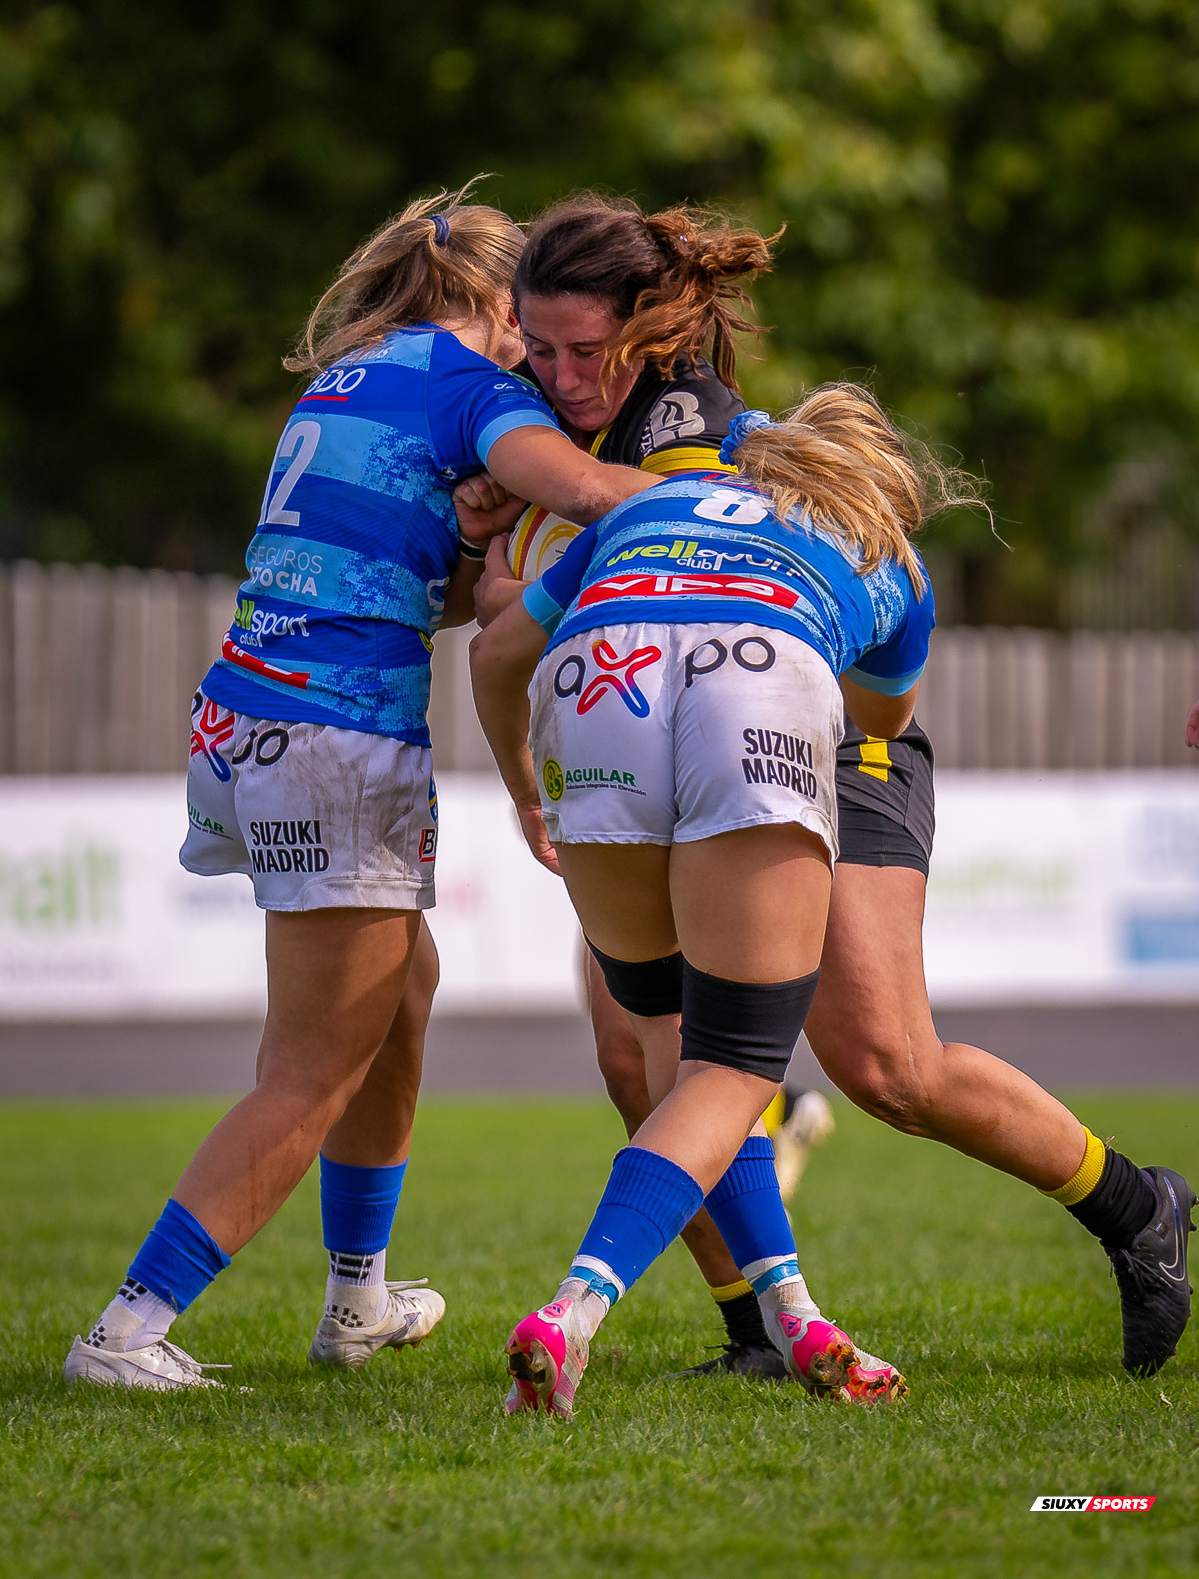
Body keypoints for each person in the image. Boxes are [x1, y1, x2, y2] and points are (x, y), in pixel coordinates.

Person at [464, 192, 1197, 1384]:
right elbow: (494, 599)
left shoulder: (692, 425)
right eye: (533, 347)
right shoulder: (521, 422)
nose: (556, 375)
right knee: (638, 1043)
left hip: (823, 722)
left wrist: (513, 577)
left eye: (580, 351)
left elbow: (547, 600)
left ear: (648, 331)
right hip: (659, 716)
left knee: (884, 1067)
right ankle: (761, 1326)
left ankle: (1131, 1206)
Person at [64, 184, 657, 1391]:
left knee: (403, 990)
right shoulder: (476, 389)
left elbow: (386, 567)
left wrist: (472, 530)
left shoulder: (345, 380)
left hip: (244, 718)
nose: (545, 367)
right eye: (535, 341)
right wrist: (749, 509)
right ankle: (126, 1332)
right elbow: (589, 493)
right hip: (334, 736)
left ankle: (357, 1300)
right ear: (503, 304)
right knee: (312, 1064)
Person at [470, 386, 954, 1416]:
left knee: (674, 1049)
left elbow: (496, 651)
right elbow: (876, 714)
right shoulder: (884, 550)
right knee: (736, 1067)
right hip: (758, 681)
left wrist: (523, 789)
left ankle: (793, 1322)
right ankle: (567, 1316)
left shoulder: (643, 509)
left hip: (597, 684)